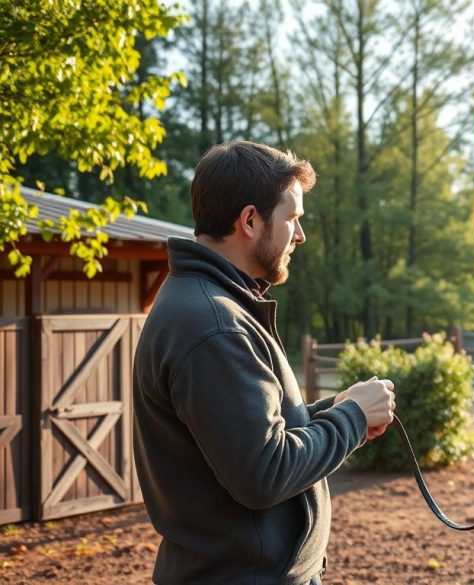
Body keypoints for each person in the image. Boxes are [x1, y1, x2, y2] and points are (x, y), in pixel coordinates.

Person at [133, 140, 396, 585]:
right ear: (250, 221)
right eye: (291, 218)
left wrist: (337, 409)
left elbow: (250, 433)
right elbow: (264, 473)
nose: (300, 235)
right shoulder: (215, 325)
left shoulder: (213, 306)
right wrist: (352, 419)